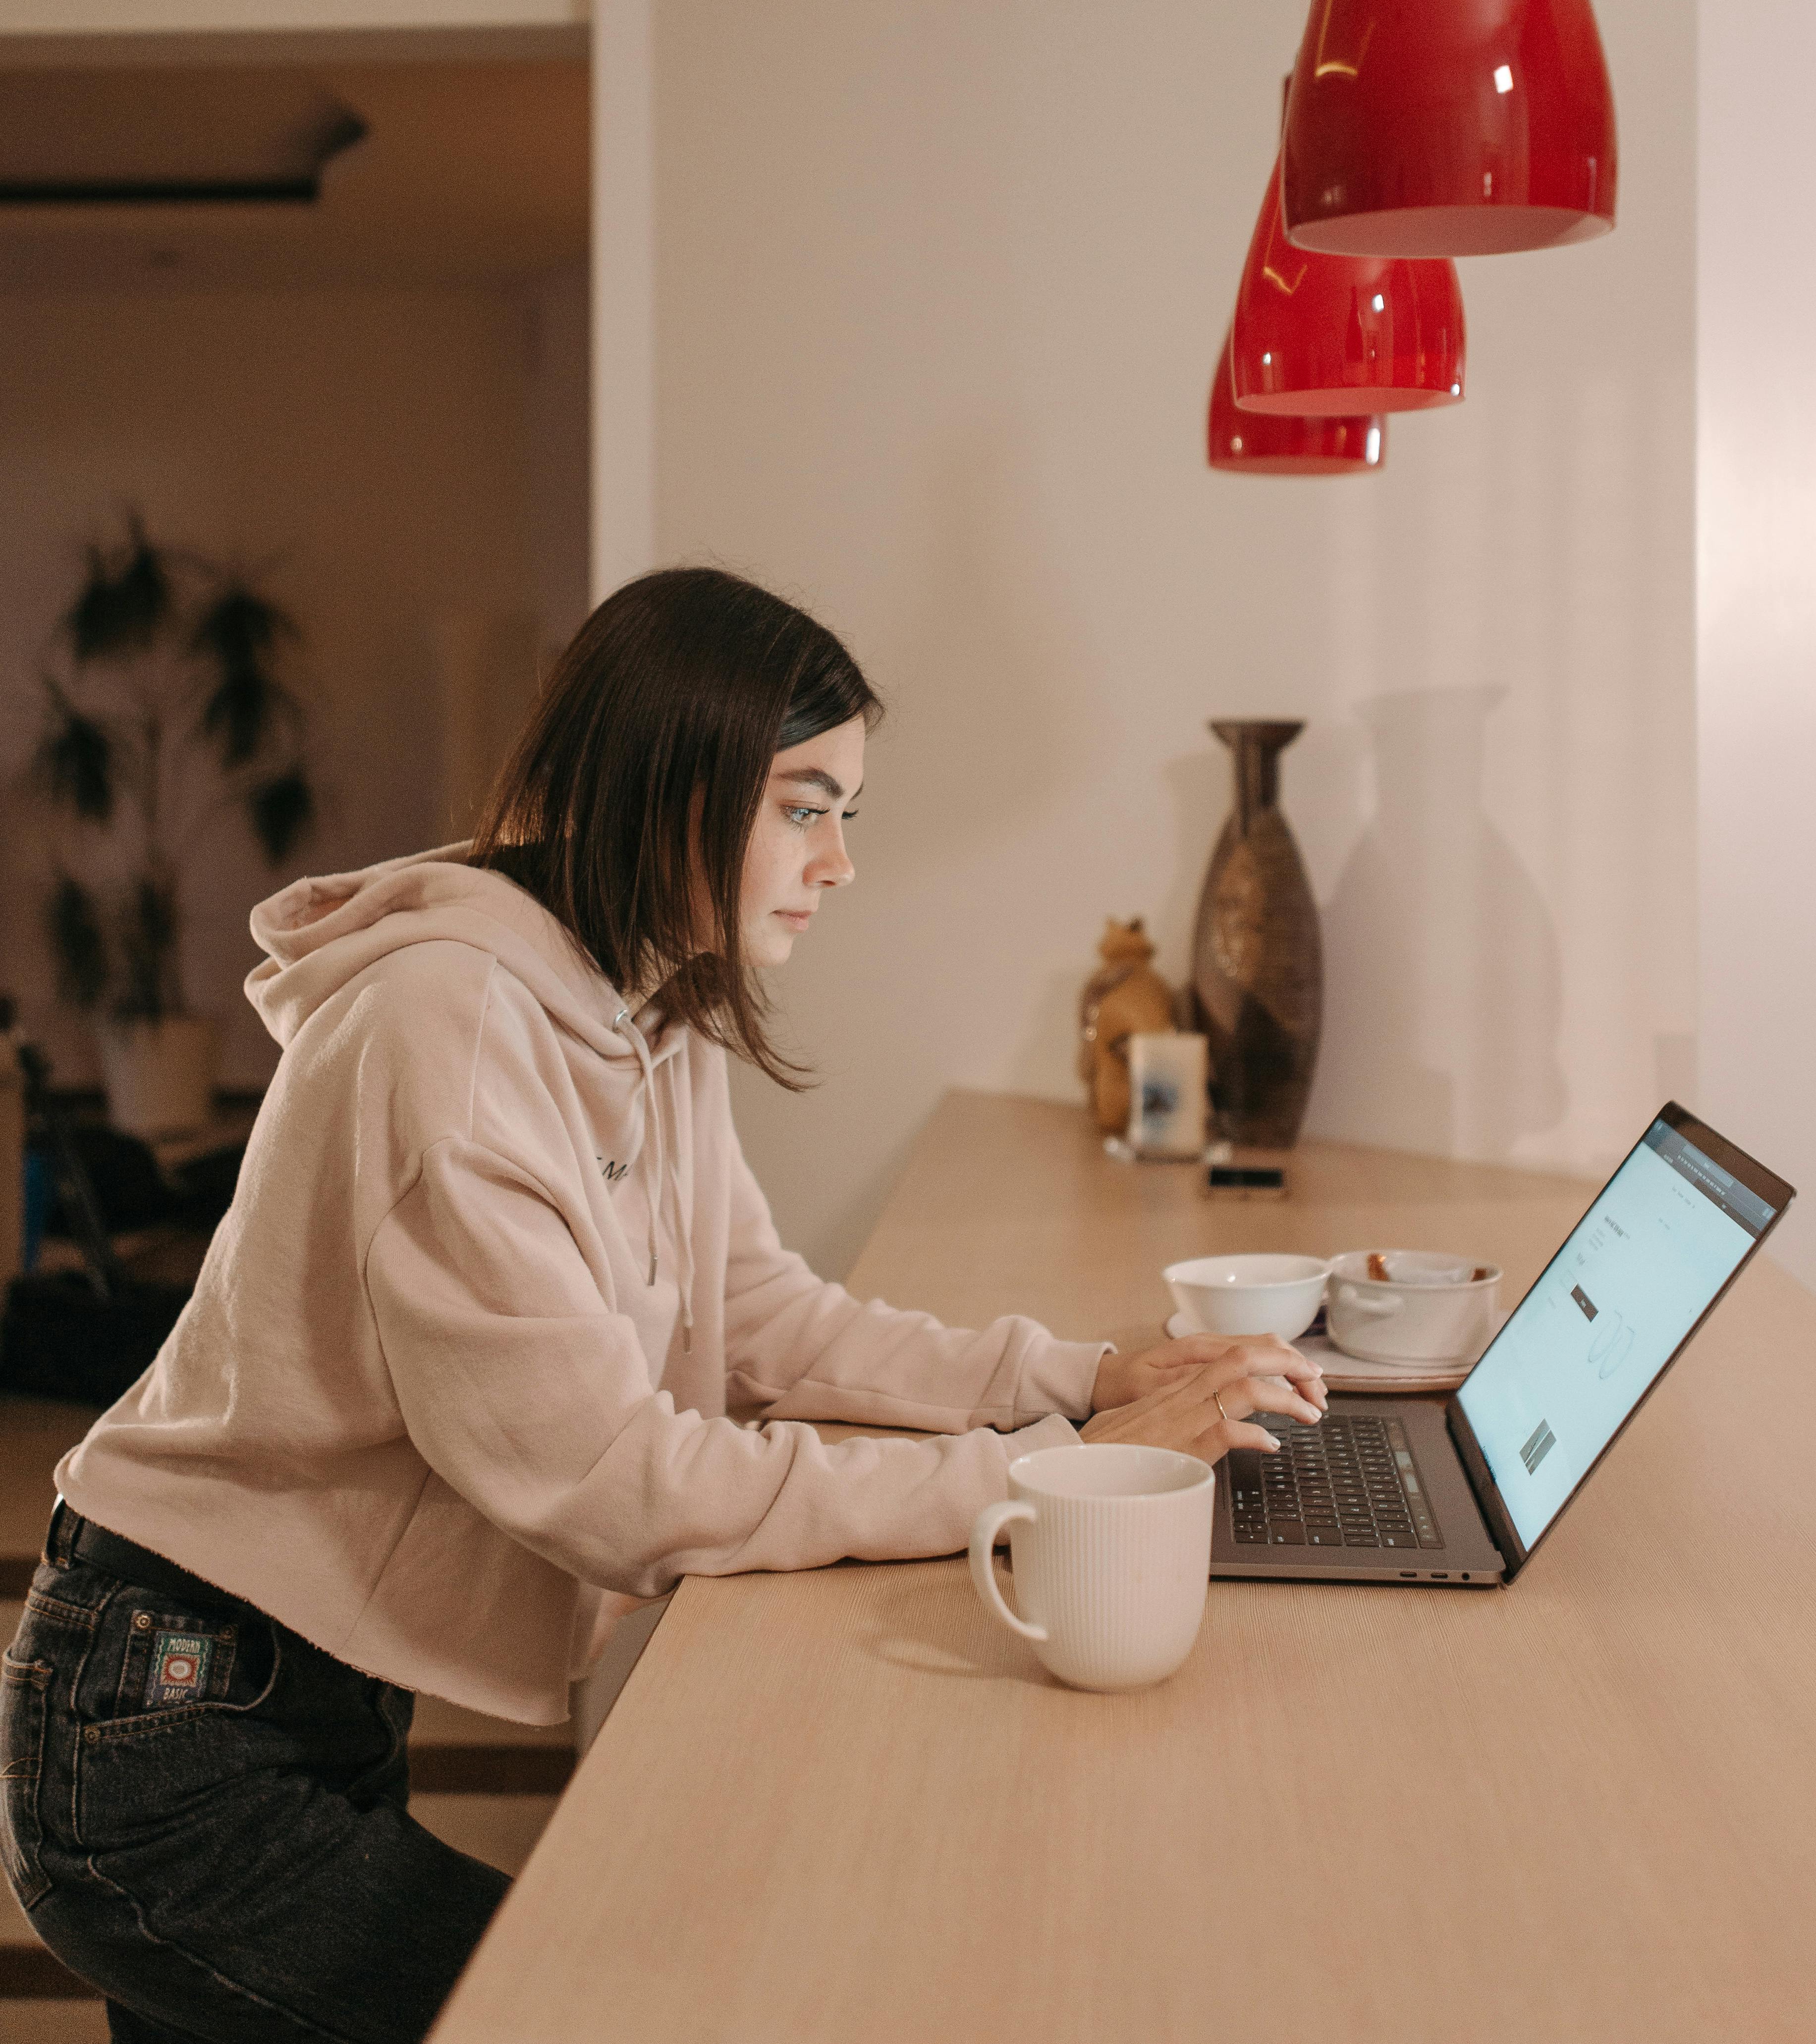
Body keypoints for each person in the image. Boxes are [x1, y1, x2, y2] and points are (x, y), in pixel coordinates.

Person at [0, 567, 1325, 2043]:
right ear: (669, 785)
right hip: (165, 1721)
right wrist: (1043, 1480)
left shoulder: (645, 1005)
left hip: (296, 1689)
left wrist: (1085, 1378)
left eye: (847, 813)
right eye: (804, 807)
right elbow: (614, 1483)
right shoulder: (448, 1032)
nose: (839, 862)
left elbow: (757, 1315)